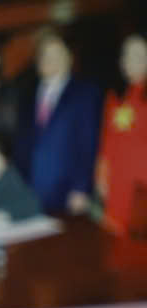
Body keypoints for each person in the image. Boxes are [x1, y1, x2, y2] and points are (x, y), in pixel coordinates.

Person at [19, 28, 102, 218]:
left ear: (69, 58)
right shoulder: (26, 96)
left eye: (56, 54)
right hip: (28, 195)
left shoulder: (85, 94)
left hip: (67, 195)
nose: (50, 59)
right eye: (45, 54)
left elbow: (88, 144)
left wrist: (81, 189)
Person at [100, 33, 147, 238]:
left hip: (143, 189)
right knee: (117, 251)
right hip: (117, 186)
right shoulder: (114, 97)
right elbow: (106, 141)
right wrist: (101, 177)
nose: (131, 59)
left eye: (138, 53)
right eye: (126, 54)